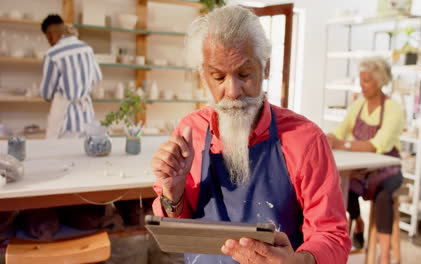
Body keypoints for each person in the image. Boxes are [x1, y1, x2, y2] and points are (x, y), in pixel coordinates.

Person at [151, 6, 351, 264]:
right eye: (218, 77)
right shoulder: (191, 132)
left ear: (265, 69)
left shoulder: (305, 139)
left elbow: (332, 235)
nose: (233, 91)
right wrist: (172, 193)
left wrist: (300, 262)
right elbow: (175, 233)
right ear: (203, 76)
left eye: (244, 74)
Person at [326, 57, 404, 264]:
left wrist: (342, 144)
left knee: (383, 194)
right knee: (340, 185)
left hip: (388, 167)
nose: (362, 85)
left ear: (379, 81)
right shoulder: (358, 105)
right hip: (362, 167)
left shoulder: (393, 108)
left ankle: (384, 255)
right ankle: (357, 222)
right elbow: (340, 131)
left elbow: (376, 145)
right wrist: (330, 138)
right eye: (361, 80)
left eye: (367, 80)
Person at [40, 14, 102, 138]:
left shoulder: (52, 54)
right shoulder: (87, 49)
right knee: (85, 154)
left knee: (60, 155)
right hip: (87, 117)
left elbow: (46, 93)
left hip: (65, 122)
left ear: (49, 35)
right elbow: (97, 78)